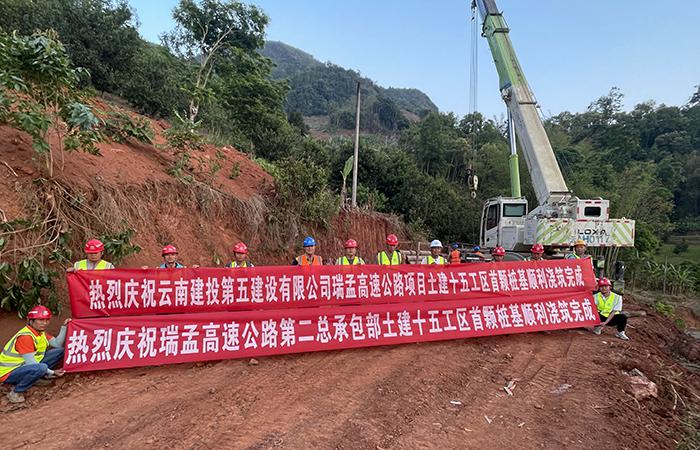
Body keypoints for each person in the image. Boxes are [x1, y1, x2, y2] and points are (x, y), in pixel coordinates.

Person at [1, 306, 69, 403]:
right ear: (31, 321)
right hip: (8, 373)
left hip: (24, 366)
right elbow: (31, 363)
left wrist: (64, 327)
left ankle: (39, 376)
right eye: (40, 320)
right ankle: (16, 392)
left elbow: (57, 344)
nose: (44, 323)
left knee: (60, 351)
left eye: (47, 320)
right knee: (41, 368)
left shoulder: (40, 333)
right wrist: (52, 372)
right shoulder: (26, 337)